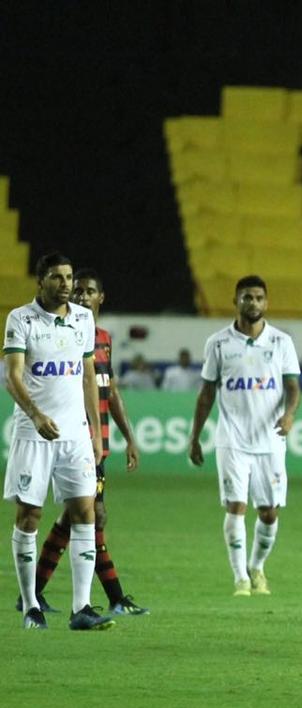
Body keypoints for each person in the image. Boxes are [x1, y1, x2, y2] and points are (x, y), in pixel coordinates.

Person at [20, 269, 148, 616]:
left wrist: (129, 438)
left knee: (75, 518)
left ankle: (34, 593)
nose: (81, 296)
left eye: (89, 291)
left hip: (97, 444)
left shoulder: (100, 337)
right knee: (92, 516)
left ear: (100, 298)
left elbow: (110, 390)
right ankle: (115, 597)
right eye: (77, 291)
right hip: (73, 441)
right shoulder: (62, 337)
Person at [3, 252, 113, 630]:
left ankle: (81, 608)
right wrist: (35, 415)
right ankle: (31, 604)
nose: (66, 284)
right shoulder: (21, 319)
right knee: (29, 515)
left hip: (75, 436)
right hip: (33, 434)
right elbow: (12, 376)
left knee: (84, 511)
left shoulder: (83, 319)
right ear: (41, 281)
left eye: (68, 277)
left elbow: (86, 376)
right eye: (57, 277)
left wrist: (95, 433)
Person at [187, 275, 301, 597]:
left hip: (270, 442)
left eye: (258, 298)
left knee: (269, 511)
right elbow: (206, 394)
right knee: (235, 506)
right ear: (235, 301)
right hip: (232, 440)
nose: (253, 303)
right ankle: (240, 578)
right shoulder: (218, 343)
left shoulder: (281, 343)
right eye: (247, 297)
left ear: (267, 303)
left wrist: (289, 414)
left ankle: (257, 567)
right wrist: (195, 436)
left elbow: (293, 388)